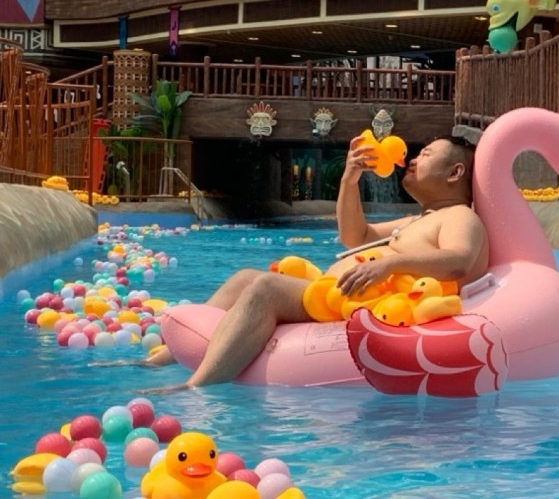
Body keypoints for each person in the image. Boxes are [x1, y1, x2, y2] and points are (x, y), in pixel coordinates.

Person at [144, 134, 488, 391]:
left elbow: (458, 261)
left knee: (266, 288)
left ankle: (197, 385)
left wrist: (388, 266)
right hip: (339, 294)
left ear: (455, 172)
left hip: (368, 306)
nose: (413, 159)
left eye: (426, 154)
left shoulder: (460, 216)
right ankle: (166, 356)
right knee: (245, 277)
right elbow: (356, 235)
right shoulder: (419, 220)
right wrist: (349, 179)